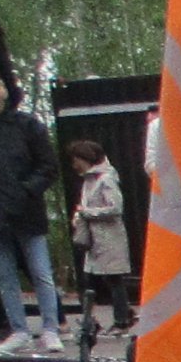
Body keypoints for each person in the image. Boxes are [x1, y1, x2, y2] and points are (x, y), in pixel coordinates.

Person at [0, 70, 63, 355]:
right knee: (5, 276)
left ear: (6, 91)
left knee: (41, 273)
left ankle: (50, 329)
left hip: (27, 212)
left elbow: (48, 166)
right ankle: (19, 330)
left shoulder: (27, 125)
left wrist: (25, 191)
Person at [66, 141, 133, 336]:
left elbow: (116, 207)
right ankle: (96, 319)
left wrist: (87, 212)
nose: (74, 165)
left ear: (85, 158)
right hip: (95, 239)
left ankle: (121, 320)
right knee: (92, 278)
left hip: (109, 237)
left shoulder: (106, 179)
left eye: (76, 160)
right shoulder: (88, 180)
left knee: (113, 278)